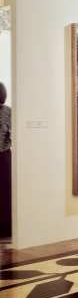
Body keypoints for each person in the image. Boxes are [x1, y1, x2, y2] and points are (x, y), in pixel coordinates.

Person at [0, 82, 11, 237]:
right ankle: (5, 227)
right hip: (3, 156)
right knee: (5, 191)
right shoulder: (7, 111)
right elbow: (13, 132)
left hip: (4, 155)